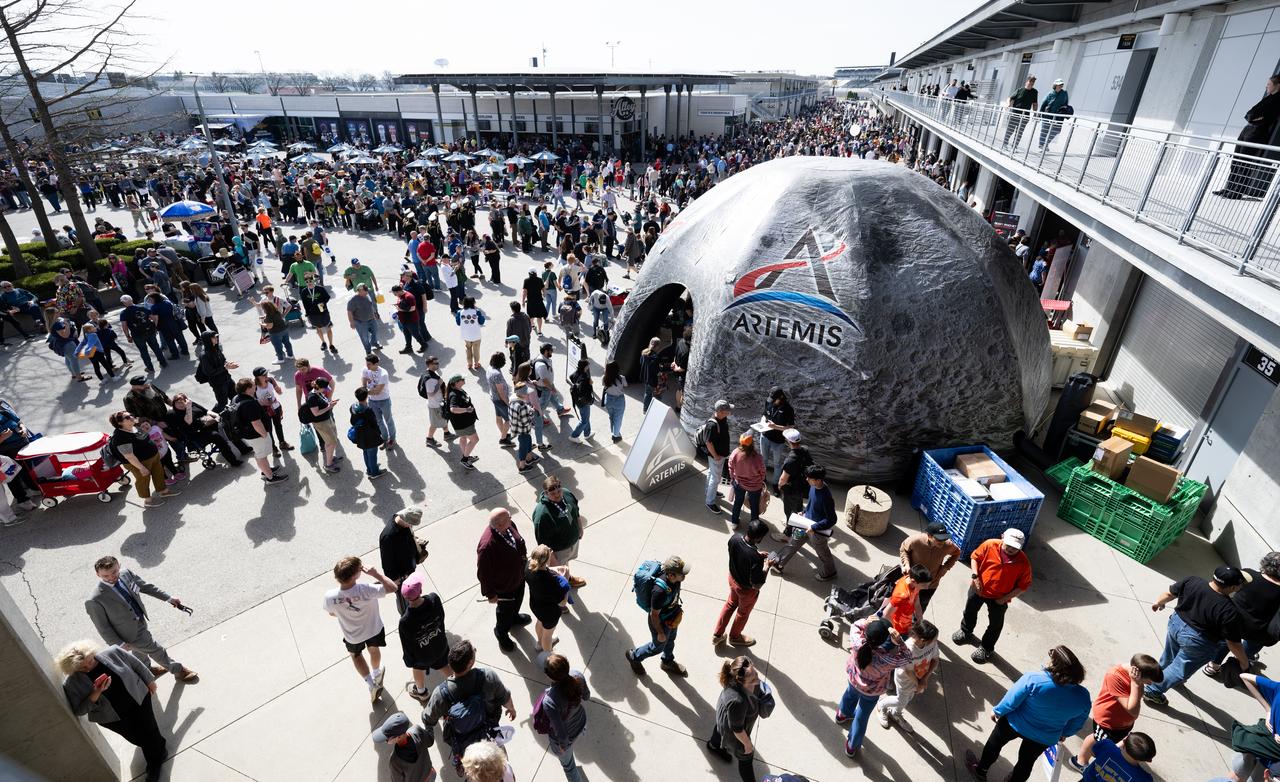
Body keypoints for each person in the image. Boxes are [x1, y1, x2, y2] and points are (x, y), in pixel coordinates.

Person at [966, 646, 1091, 782]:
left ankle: (981, 770)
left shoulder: (1034, 679)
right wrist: (1065, 733)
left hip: (1014, 723)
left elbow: (1011, 700)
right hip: (1044, 737)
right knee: (1026, 763)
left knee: (994, 744)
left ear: (1056, 666)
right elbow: (1078, 722)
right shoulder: (1083, 697)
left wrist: (997, 711)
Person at [56, 640, 169, 782]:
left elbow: (136, 665)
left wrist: (150, 681)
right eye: (81, 668)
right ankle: (160, 747)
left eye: (90, 661)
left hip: (138, 697)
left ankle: (154, 765)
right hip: (112, 717)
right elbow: (79, 710)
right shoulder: (71, 683)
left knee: (149, 729)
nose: (88, 667)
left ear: (92, 653)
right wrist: (96, 692)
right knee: (137, 738)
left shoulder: (113, 652)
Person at [1143, 565, 1251, 706]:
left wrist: (1159, 603)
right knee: (1179, 669)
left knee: (1169, 655)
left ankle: (1157, 675)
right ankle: (1152, 691)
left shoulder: (1192, 581)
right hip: (1197, 641)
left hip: (1176, 625)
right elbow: (1233, 643)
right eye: (1240, 584)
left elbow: (1170, 593)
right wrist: (1244, 662)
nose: (1241, 586)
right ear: (1232, 588)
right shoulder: (1229, 610)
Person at [84, 556, 197, 682]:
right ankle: (179, 671)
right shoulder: (94, 600)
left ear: (119, 566)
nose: (111, 577)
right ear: (97, 574)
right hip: (128, 634)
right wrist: (119, 644)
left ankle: (147, 670)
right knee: (155, 649)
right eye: (105, 576)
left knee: (140, 652)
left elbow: (146, 587)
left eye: (114, 572)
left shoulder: (126, 574)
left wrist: (168, 598)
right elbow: (103, 627)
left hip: (140, 620)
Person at [423, 640, 516, 776]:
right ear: (470, 663)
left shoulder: (441, 693)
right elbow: (505, 698)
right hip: (489, 736)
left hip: (464, 745)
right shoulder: (488, 676)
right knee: (499, 767)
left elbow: (428, 717)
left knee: (475, 772)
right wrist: (511, 709)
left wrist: (429, 732)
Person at [322, 556, 398, 704]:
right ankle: (377, 672)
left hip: (352, 636)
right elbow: (393, 588)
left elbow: (332, 613)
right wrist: (376, 574)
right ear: (355, 575)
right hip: (374, 629)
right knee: (374, 650)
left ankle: (371, 684)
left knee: (356, 656)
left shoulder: (330, 597)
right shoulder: (367, 589)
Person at [953, 528, 1033, 664]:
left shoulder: (1023, 563)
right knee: (970, 610)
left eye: (1015, 547)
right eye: (1009, 545)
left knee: (995, 624)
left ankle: (986, 648)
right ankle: (966, 630)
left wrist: (1004, 598)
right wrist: (975, 576)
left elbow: (1023, 585)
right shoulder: (990, 544)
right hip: (978, 589)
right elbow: (975, 557)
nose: (1011, 550)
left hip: (999, 598)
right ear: (1002, 537)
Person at [1071, 653, 1163, 771]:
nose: (1150, 684)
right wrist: (1136, 684)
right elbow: (1133, 711)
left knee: (1098, 738)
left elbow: (1135, 700)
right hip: (1108, 720)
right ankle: (1080, 761)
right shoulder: (1115, 676)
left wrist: (1138, 683)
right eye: (1148, 681)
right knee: (1099, 743)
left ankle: (1082, 759)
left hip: (1121, 723)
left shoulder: (1136, 678)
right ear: (1138, 673)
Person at [838, 618, 912, 759]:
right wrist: (900, 642)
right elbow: (908, 657)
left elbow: (854, 625)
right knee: (862, 716)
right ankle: (851, 746)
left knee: (849, 695)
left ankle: (842, 714)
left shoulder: (856, 642)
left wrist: (867, 621)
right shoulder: (889, 659)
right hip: (872, 692)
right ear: (885, 640)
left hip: (854, 680)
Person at [1206, 552, 1280, 675]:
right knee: (1254, 644)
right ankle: (1239, 665)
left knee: (1227, 640)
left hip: (1234, 620)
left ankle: (1213, 666)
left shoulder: (1248, 575)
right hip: (1259, 630)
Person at [707, 656, 775, 782]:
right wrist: (747, 744)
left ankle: (713, 745)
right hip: (733, 729)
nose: (758, 679)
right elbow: (737, 729)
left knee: (719, 728)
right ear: (740, 683)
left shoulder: (736, 677)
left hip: (726, 718)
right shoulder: (738, 701)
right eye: (753, 678)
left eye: (755, 672)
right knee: (746, 760)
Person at [1214, 74, 1280, 199]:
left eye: (1269, 84)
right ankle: (1229, 187)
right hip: (1248, 130)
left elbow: (1266, 117)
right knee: (1236, 160)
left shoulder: (1277, 100)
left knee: (1245, 162)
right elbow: (1250, 113)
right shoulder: (1268, 97)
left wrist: (1253, 118)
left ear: (1277, 86)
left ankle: (1237, 191)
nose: (1266, 86)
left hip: (1257, 133)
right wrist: (1252, 117)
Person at [768, 464, 838, 581]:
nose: (806, 479)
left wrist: (814, 527)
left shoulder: (826, 497)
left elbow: (832, 519)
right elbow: (811, 504)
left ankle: (830, 572)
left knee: (823, 554)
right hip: (804, 523)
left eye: (809, 478)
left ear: (818, 480)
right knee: (792, 543)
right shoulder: (813, 486)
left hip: (816, 532)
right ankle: (778, 564)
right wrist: (804, 512)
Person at [625, 555, 690, 677]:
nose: (684, 576)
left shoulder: (675, 580)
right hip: (660, 622)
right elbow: (654, 615)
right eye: (682, 574)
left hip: (671, 616)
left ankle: (667, 661)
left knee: (670, 639)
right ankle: (634, 656)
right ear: (671, 575)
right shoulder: (659, 592)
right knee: (657, 647)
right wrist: (660, 632)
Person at [477, 508, 532, 653]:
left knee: (517, 601)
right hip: (504, 586)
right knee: (504, 612)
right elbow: (483, 573)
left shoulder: (509, 525)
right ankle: (501, 633)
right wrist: (490, 594)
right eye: (508, 517)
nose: (511, 518)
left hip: (518, 577)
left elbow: (518, 542)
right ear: (499, 524)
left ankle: (514, 618)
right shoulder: (487, 546)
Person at [877, 620, 940, 735]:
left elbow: (935, 659)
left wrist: (924, 679)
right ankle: (882, 706)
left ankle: (895, 713)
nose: (936, 641)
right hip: (906, 679)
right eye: (934, 639)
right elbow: (908, 671)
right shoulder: (909, 648)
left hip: (919, 678)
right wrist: (919, 684)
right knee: (901, 699)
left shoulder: (932, 643)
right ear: (922, 640)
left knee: (908, 697)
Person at [713, 519, 769, 648]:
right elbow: (757, 584)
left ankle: (717, 635)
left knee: (730, 604)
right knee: (742, 613)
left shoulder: (735, 538)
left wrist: (756, 553)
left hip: (733, 580)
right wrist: (767, 566)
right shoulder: (755, 559)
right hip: (746, 590)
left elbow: (741, 554)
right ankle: (735, 637)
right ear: (759, 538)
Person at [538, 652, 591, 782]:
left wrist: (564, 745)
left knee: (569, 767)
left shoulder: (549, 701)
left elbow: (560, 730)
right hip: (581, 723)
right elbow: (587, 696)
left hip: (566, 738)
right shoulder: (577, 675)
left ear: (549, 676)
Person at [398, 572, 448, 705]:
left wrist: (410, 661)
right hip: (439, 646)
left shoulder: (405, 621)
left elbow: (407, 645)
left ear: (404, 597)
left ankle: (422, 692)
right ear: (420, 590)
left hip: (421, 656)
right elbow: (442, 617)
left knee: (417, 669)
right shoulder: (434, 599)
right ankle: (459, 683)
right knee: (443, 665)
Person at [531, 476, 589, 587]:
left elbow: (576, 511)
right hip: (558, 551)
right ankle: (560, 588)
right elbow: (543, 544)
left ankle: (568, 577)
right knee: (557, 572)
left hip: (573, 541)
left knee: (566, 565)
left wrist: (580, 527)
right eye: (553, 494)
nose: (557, 495)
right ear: (546, 493)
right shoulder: (542, 514)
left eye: (559, 491)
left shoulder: (567, 494)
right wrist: (553, 561)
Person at [107, 411, 174, 508]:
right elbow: (129, 456)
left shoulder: (133, 427)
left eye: (131, 415)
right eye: (127, 417)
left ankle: (163, 491)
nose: (131, 417)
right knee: (143, 479)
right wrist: (141, 468)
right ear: (120, 423)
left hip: (153, 457)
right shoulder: (120, 438)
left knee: (158, 473)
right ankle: (148, 500)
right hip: (139, 463)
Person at [230, 378, 289, 485]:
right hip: (256, 435)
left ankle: (265, 471)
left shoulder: (236, 398)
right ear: (247, 389)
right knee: (261, 455)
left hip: (247, 434)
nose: (255, 386)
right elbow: (256, 423)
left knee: (260, 453)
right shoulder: (249, 404)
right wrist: (264, 434)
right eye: (253, 385)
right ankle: (270, 478)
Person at [900, 521, 962, 611]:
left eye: (944, 538)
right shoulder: (915, 540)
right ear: (929, 536)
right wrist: (906, 564)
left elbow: (957, 553)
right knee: (904, 605)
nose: (942, 542)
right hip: (913, 581)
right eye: (938, 539)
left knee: (920, 607)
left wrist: (946, 567)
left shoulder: (947, 545)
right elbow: (904, 549)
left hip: (930, 585)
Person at [526, 545, 572, 653]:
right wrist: (565, 579)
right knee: (548, 635)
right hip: (550, 613)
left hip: (535, 605)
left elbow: (542, 570)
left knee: (539, 622)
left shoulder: (528, 567)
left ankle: (538, 643)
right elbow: (562, 602)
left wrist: (554, 570)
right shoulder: (553, 581)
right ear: (547, 559)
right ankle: (548, 656)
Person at [380, 507, 425, 614]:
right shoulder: (388, 536)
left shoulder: (404, 525)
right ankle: (407, 615)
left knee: (414, 595)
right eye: (411, 524)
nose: (411, 526)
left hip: (409, 567)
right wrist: (394, 579)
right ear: (405, 520)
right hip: (400, 576)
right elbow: (387, 562)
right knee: (404, 600)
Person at [371, 711, 436, 782]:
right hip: (430, 775)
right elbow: (430, 741)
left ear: (398, 737)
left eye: (387, 739)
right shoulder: (417, 730)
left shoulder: (395, 761)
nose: (385, 741)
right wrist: (429, 724)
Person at [251, 367, 293, 456]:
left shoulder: (270, 380)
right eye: (264, 375)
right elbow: (252, 400)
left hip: (275, 407)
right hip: (264, 411)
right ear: (257, 377)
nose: (266, 376)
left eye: (266, 373)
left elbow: (279, 392)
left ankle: (282, 443)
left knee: (278, 425)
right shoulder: (254, 386)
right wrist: (262, 402)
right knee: (269, 430)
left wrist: (279, 391)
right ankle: (273, 448)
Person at [727, 432, 765, 527]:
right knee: (754, 506)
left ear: (740, 442)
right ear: (752, 443)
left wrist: (733, 478)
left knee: (738, 502)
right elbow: (763, 472)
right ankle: (754, 526)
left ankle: (734, 522)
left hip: (739, 484)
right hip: (755, 486)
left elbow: (730, 467)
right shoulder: (757, 457)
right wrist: (760, 481)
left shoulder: (735, 453)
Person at [1081, 734, 1156, 782]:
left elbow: (1093, 752)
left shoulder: (1106, 746)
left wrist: (1116, 747)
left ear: (1124, 741)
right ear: (1148, 760)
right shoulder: (1144, 778)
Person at [303, 378, 341, 472]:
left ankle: (330, 458)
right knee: (331, 442)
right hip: (321, 423)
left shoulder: (318, 393)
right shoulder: (312, 397)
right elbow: (315, 413)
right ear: (319, 387)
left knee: (332, 440)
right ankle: (328, 465)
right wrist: (329, 407)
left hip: (327, 419)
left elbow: (323, 404)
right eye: (325, 388)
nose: (326, 390)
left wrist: (329, 404)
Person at [701, 399, 733, 514]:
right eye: (727, 411)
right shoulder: (712, 425)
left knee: (711, 473)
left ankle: (709, 492)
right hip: (716, 456)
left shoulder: (722, 418)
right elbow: (708, 443)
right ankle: (710, 502)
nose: (729, 413)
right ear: (719, 411)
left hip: (719, 455)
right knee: (716, 479)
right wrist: (715, 456)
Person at [350, 386, 387, 480]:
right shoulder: (368, 411)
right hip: (370, 436)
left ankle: (369, 469)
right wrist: (380, 434)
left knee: (365, 453)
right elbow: (374, 424)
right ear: (366, 397)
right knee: (372, 454)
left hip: (360, 435)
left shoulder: (353, 407)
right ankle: (374, 472)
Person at [361, 353, 397, 449]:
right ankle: (385, 439)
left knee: (388, 420)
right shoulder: (366, 369)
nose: (367, 366)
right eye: (366, 363)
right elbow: (364, 380)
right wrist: (365, 388)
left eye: (369, 364)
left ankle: (392, 439)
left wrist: (364, 393)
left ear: (376, 364)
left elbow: (377, 391)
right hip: (372, 401)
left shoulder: (383, 374)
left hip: (384, 400)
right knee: (379, 421)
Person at [195, 332, 237, 412]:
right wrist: (225, 367)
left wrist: (228, 364)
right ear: (208, 340)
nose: (216, 338)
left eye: (216, 337)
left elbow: (223, 360)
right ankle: (211, 416)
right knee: (222, 404)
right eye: (214, 337)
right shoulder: (204, 355)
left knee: (235, 397)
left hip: (227, 379)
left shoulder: (216, 348)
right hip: (218, 384)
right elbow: (209, 372)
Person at [446, 375, 481, 470]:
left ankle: (466, 454)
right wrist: (466, 409)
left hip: (463, 422)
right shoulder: (454, 394)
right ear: (455, 383)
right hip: (463, 424)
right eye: (461, 379)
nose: (463, 380)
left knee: (463, 437)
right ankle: (465, 459)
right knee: (475, 440)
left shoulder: (459, 390)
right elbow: (453, 409)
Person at [299, 275, 339, 355]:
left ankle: (331, 344)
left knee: (328, 327)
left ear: (313, 280)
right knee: (318, 328)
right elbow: (305, 304)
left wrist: (323, 303)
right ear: (305, 282)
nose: (309, 283)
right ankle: (323, 342)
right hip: (313, 314)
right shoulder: (304, 291)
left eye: (310, 281)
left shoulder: (320, 288)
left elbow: (327, 297)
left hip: (323, 311)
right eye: (307, 282)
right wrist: (307, 315)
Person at [760, 387, 795, 477]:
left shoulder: (788, 409)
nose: (772, 401)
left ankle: (776, 483)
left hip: (778, 441)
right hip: (764, 436)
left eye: (774, 400)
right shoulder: (769, 401)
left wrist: (775, 426)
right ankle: (762, 479)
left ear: (781, 397)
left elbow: (790, 427)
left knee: (777, 464)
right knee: (763, 460)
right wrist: (762, 423)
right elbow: (764, 415)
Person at [419, 355, 452, 448]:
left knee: (444, 418)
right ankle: (429, 439)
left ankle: (447, 434)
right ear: (429, 364)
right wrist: (439, 383)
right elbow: (430, 393)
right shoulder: (430, 379)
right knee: (435, 423)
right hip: (435, 404)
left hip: (438, 403)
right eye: (435, 363)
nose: (438, 365)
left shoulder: (429, 373)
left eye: (438, 362)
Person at [392, 283, 430, 355]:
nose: (395, 295)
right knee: (406, 334)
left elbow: (412, 308)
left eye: (395, 294)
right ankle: (408, 347)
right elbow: (403, 304)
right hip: (404, 320)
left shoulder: (409, 297)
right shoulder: (401, 295)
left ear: (398, 291)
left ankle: (424, 345)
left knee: (416, 334)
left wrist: (399, 309)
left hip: (411, 320)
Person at [485, 352, 514, 449]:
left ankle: (504, 433)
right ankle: (503, 439)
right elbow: (501, 392)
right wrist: (508, 403)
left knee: (498, 417)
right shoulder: (497, 374)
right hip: (500, 399)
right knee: (509, 419)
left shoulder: (489, 368)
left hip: (494, 397)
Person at [1003, 76, 1039, 149]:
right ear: (1026, 82)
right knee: (1010, 130)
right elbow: (1010, 98)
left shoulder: (1034, 92)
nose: (1030, 85)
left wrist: (1035, 113)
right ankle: (1005, 144)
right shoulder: (1019, 90)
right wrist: (1008, 104)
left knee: (1019, 133)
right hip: (1014, 114)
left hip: (1025, 116)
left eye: (1032, 84)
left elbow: (1035, 103)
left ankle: (1014, 147)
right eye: (1030, 82)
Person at [347, 283, 381, 355]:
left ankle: (374, 343)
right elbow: (349, 311)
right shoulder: (353, 300)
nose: (367, 291)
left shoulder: (367, 295)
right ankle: (368, 350)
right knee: (364, 337)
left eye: (367, 290)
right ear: (360, 290)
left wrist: (375, 313)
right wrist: (351, 322)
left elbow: (371, 305)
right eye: (365, 290)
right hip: (360, 322)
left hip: (371, 319)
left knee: (375, 331)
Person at [1038, 78, 1071, 149]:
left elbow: (1066, 103)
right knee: (1044, 130)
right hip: (1048, 115)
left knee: (1057, 130)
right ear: (1055, 85)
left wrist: (1065, 109)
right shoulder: (1050, 94)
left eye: (1061, 85)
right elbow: (1044, 103)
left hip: (1058, 116)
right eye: (1059, 85)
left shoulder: (1064, 93)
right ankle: (1041, 145)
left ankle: (1046, 143)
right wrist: (1039, 114)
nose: (1060, 86)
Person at [567, 358, 594, 444]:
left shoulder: (576, 373)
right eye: (587, 366)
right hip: (584, 401)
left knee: (586, 416)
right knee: (584, 420)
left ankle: (587, 433)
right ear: (585, 367)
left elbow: (571, 377)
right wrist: (589, 384)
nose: (588, 367)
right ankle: (574, 436)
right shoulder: (584, 378)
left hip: (577, 400)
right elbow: (584, 390)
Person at [456, 296, 486, 370]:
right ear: (473, 303)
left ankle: (469, 364)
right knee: (476, 349)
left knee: (468, 349)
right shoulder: (477, 311)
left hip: (466, 335)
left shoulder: (460, 312)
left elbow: (458, 323)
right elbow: (482, 322)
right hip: (476, 335)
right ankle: (476, 364)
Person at [600, 360, 627, 443]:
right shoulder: (621, 378)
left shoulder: (604, 378)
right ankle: (616, 435)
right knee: (618, 419)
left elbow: (604, 385)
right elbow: (625, 386)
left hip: (608, 400)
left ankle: (615, 433)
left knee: (611, 418)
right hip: (619, 400)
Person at [521, 267, 548, 335]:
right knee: (539, 317)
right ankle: (539, 331)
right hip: (539, 301)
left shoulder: (526, 280)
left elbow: (525, 292)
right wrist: (544, 295)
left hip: (530, 301)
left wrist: (523, 301)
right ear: (536, 273)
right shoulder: (540, 280)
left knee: (531, 316)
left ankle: (532, 325)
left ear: (529, 273)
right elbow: (544, 289)